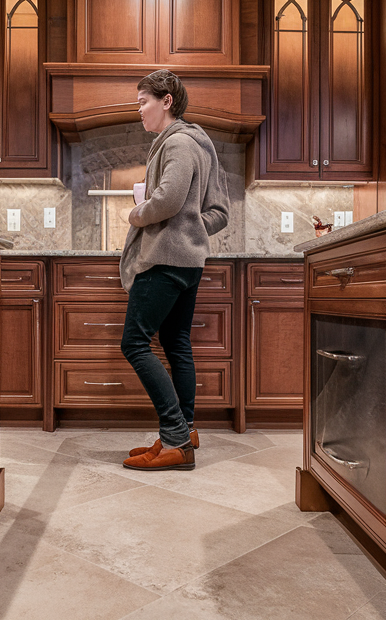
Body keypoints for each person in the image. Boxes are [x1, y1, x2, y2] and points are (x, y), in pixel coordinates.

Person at [119, 69, 229, 471]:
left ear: (166, 101)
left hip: (165, 258)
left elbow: (166, 200)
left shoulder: (179, 142)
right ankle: (182, 431)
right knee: (176, 343)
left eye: (142, 102)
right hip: (188, 262)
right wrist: (193, 228)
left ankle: (176, 438)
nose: (139, 111)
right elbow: (219, 214)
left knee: (134, 343)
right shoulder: (200, 145)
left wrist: (135, 214)